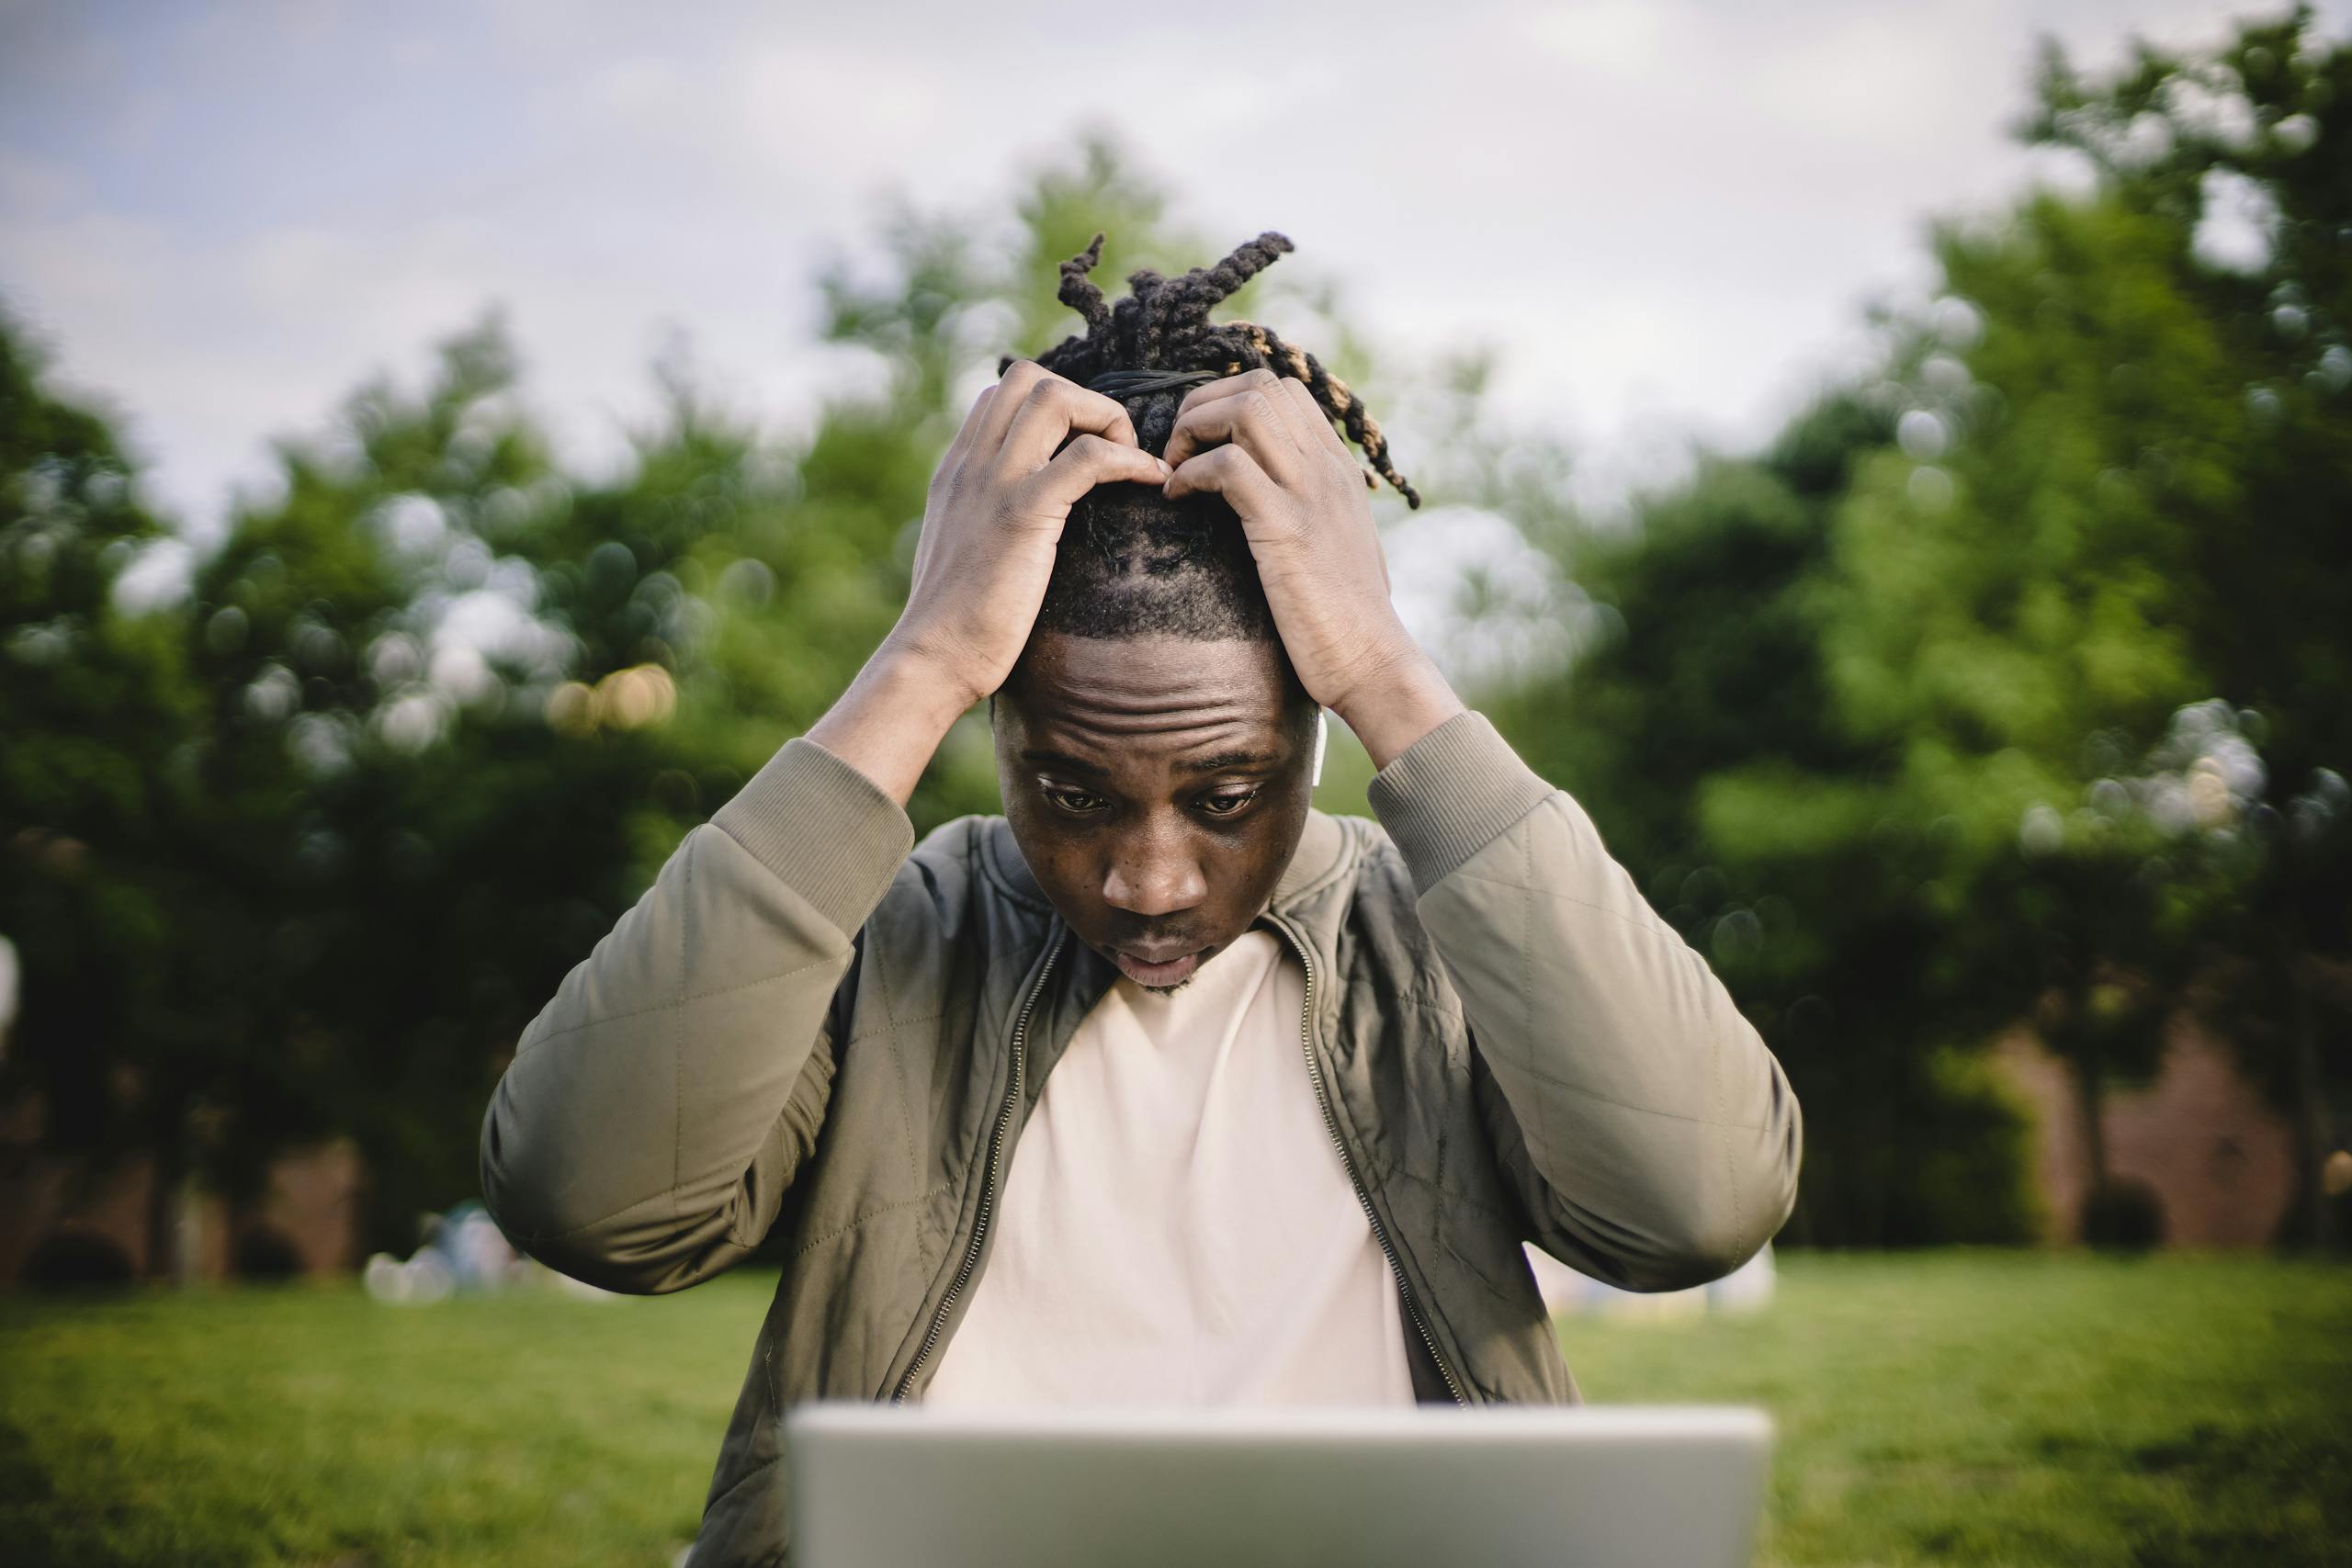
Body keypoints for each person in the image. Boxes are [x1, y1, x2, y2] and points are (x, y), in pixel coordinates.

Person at [479, 231, 1804, 1566]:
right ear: (994, 726)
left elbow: (1696, 1204)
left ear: (1313, 732)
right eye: (1072, 792)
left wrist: (1390, 668)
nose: (1149, 881)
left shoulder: (1449, 938)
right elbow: (588, 1202)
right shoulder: (886, 933)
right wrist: (921, 655)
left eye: (1226, 798)